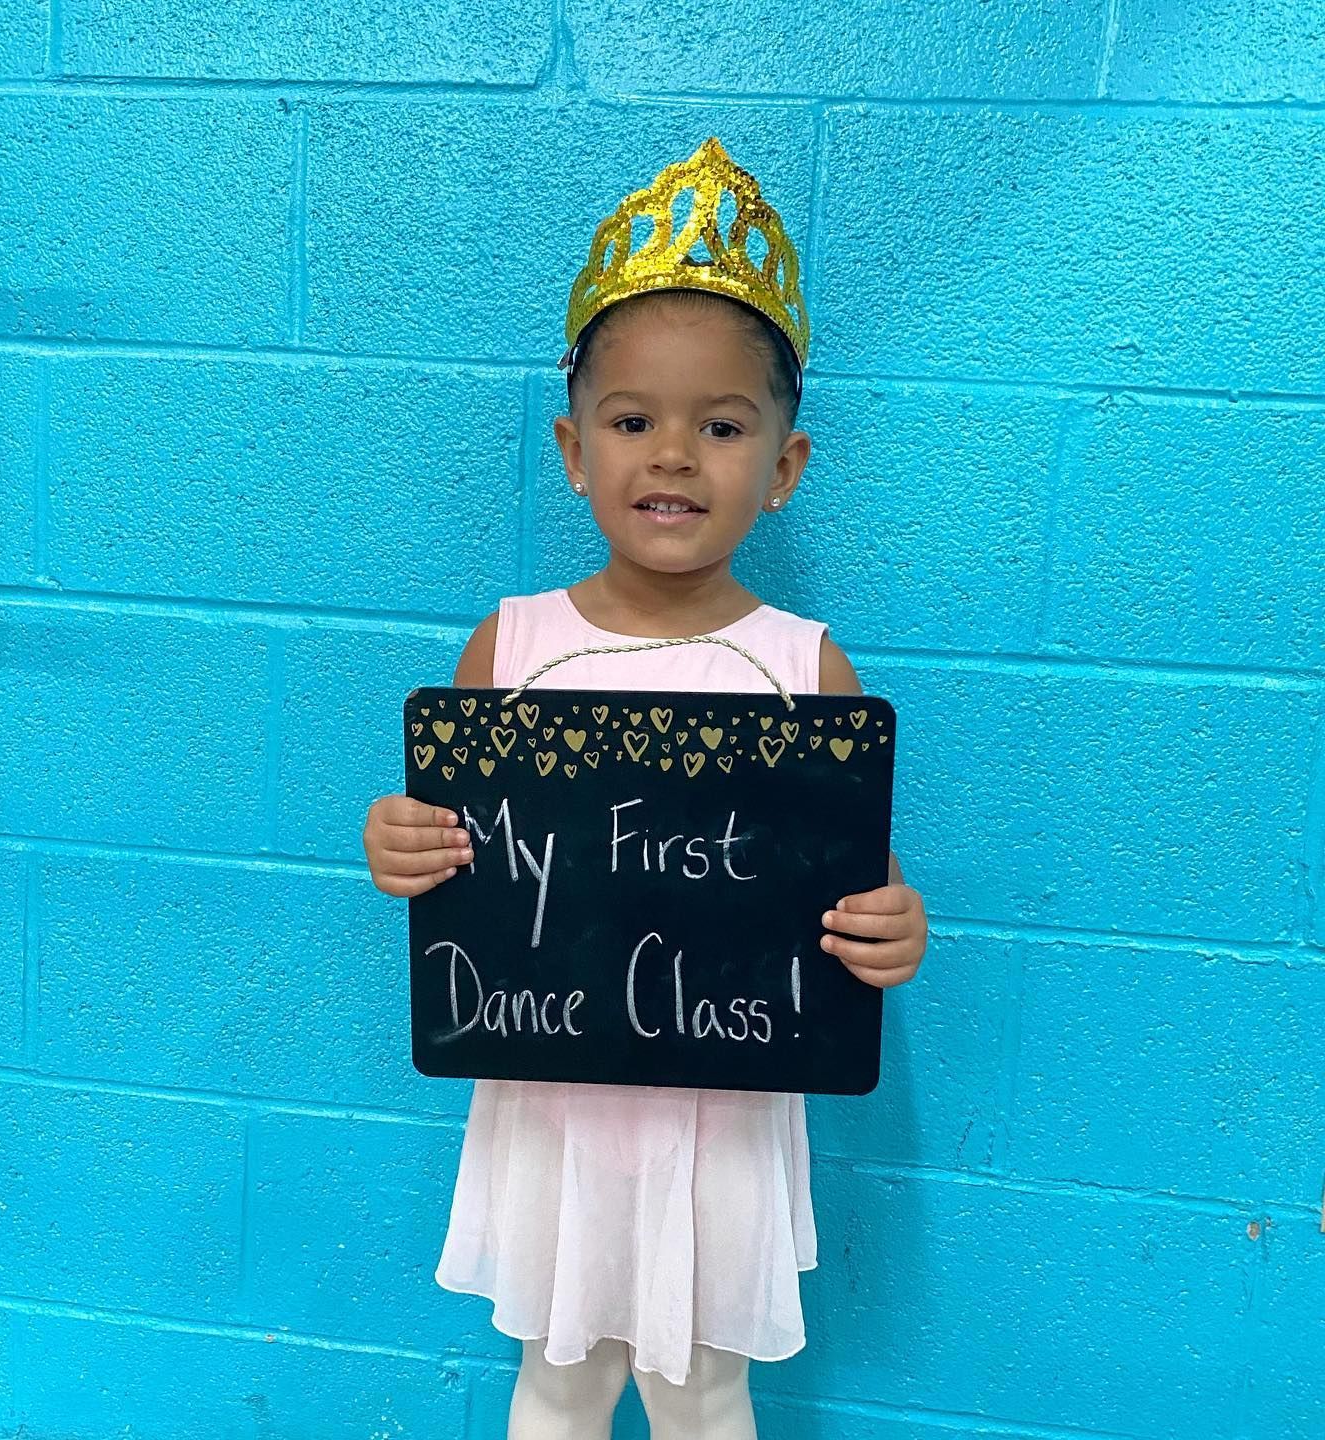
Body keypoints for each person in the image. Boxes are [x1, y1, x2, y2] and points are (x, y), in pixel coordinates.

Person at [362, 136, 929, 1439]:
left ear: (783, 467)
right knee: (560, 1377)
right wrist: (398, 844)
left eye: (722, 426)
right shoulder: (510, 650)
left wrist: (892, 924)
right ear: (573, 449)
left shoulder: (806, 671)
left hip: (720, 1116)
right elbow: (447, 852)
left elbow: (844, 884)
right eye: (633, 421)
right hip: (556, 1097)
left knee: (701, 1382)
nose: (672, 455)